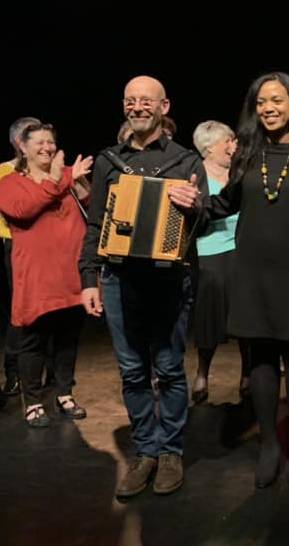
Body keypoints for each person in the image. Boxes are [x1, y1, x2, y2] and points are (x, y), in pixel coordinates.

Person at [79, 75, 207, 499]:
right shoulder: (108, 162)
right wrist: (88, 278)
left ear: (164, 107)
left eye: (145, 101)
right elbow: (96, 223)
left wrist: (196, 205)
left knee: (169, 368)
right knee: (133, 371)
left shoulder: (186, 162)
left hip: (168, 278)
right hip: (118, 279)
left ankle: (170, 451)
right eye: (130, 100)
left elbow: (202, 224)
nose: (137, 107)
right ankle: (146, 452)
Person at [209, 73, 289, 488]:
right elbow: (224, 204)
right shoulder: (247, 155)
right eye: (261, 101)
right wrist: (192, 203)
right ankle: (268, 446)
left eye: (277, 100)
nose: (269, 108)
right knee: (260, 358)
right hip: (253, 270)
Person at [0, 122, 93, 427]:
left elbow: (93, 206)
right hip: (37, 275)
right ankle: (33, 401)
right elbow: (23, 210)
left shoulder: (68, 176)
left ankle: (65, 394)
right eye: (38, 142)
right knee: (33, 340)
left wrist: (80, 184)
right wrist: (57, 180)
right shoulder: (11, 182)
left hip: (70, 271)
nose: (46, 148)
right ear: (22, 147)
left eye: (50, 142)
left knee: (68, 337)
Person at [190, 120, 250, 404]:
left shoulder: (239, 173)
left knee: (249, 317)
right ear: (210, 146)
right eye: (228, 140)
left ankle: (248, 374)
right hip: (209, 252)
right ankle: (202, 373)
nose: (233, 145)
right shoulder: (196, 174)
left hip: (243, 250)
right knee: (210, 318)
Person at [0, 115, 41, 396]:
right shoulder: (5, 171)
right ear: (21, 143)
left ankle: (41, 369)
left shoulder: (45, 170)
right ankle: (13, 371)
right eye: (35, 138)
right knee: (21, 309)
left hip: (44, 247)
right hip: (18, 246)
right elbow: (10, 210)